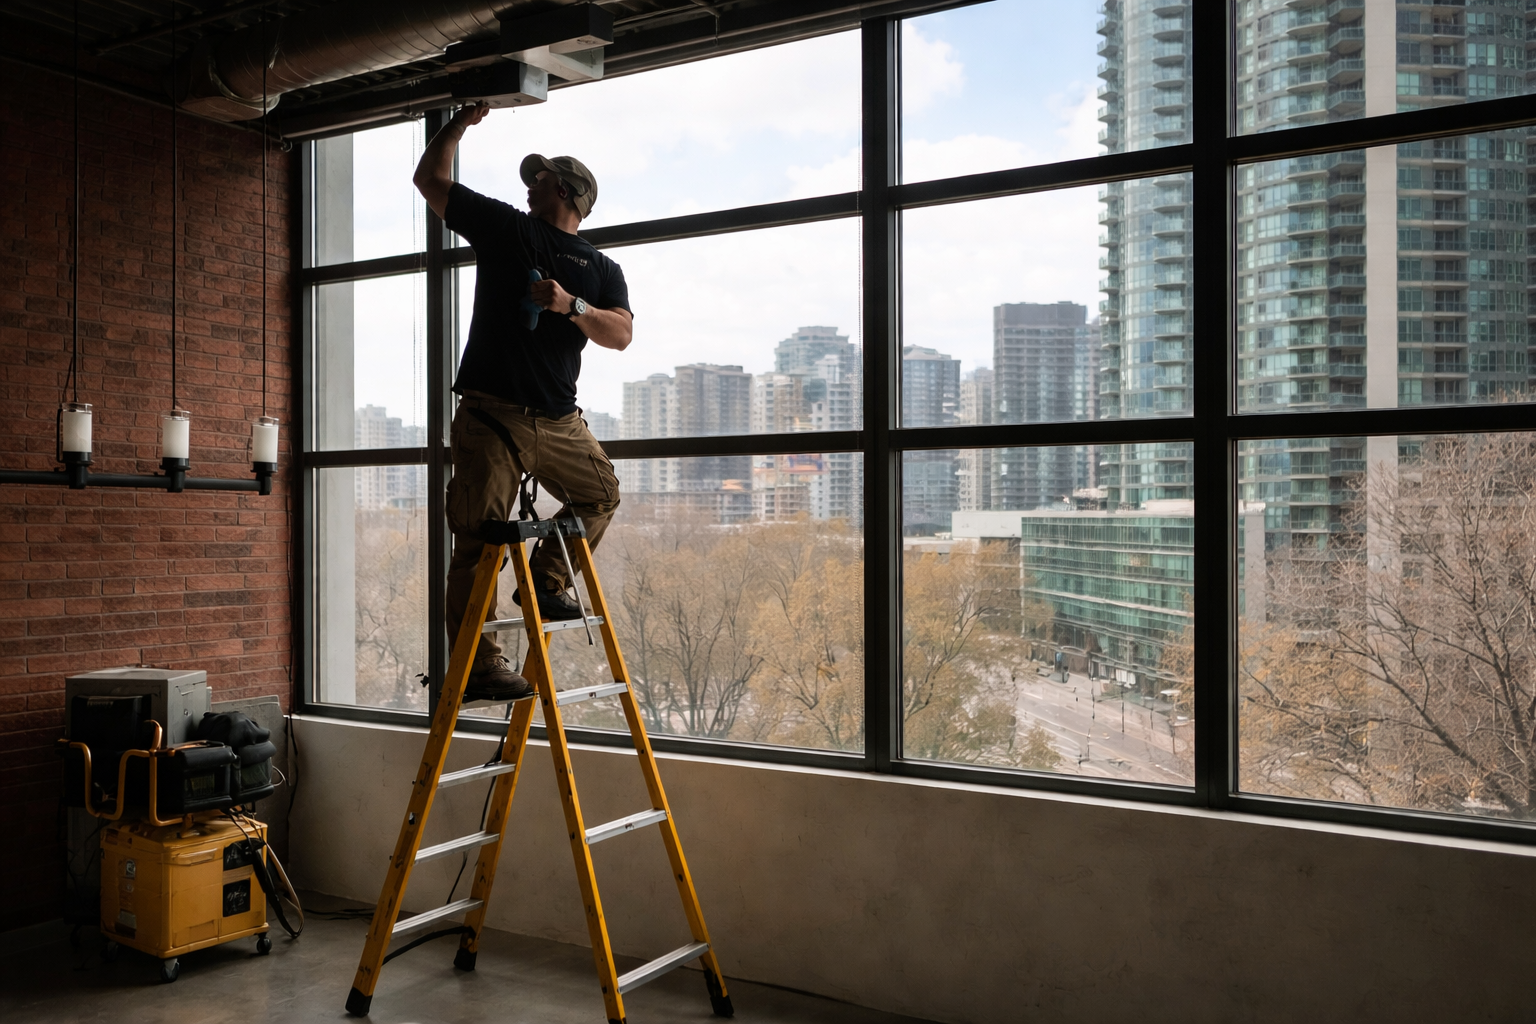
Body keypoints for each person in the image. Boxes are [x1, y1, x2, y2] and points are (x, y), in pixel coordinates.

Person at [413, 101, 633, 702]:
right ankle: (479, 665)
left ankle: (545, 580)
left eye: (538, 178)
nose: (529, 185)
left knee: (600, 494)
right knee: (479, 540)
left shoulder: (603, 268)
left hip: (559, 419)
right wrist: (455, 127)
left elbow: (621, 334)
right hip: (491, 414)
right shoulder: (509, 228)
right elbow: (431, 183)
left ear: (564, 188)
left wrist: (571, 305)